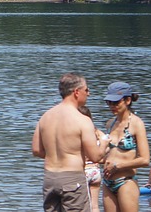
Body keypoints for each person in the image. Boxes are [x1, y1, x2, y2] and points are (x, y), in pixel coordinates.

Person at [31, 72, 104, 212]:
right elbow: (95, 157)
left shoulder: (45, 117)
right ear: (76, 92)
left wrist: (56, 153)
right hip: (72, 178)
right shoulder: (82, 120)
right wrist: (104, 143)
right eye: (86, 90)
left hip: (50, 178)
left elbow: (36, 150)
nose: (88, 94)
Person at [101, 81, 149, 212]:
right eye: (109, 103)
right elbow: (108, 153)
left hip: (126, 182)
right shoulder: (110, 124)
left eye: (116, 102)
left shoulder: (137, 124)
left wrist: (117, 166)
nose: (112, 106)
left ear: (127, 100)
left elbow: (145, 160)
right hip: (107, 182)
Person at [77, 104, 105, 210]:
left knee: (82, 206)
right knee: (95, 206)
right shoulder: (96, 132)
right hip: (95, 171)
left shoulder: (78, 133)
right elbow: (108, 140)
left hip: (83, 171)